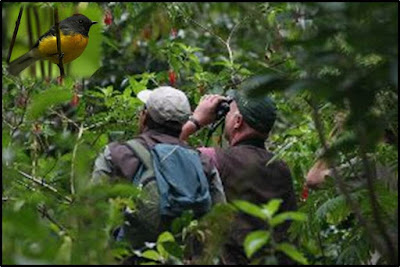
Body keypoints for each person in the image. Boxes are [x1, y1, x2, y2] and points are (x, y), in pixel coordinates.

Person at [92, 86, 226, 257]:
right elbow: (220, 221)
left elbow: (91, 214)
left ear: (144, 116)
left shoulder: (117, 154)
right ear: (184, 123)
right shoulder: (202, 162)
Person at [180, 89, 298, 265]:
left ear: (237, 121)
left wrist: (196, 120)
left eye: (229, 113)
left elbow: (164, 156)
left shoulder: (215, 159)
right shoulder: (282, 168)